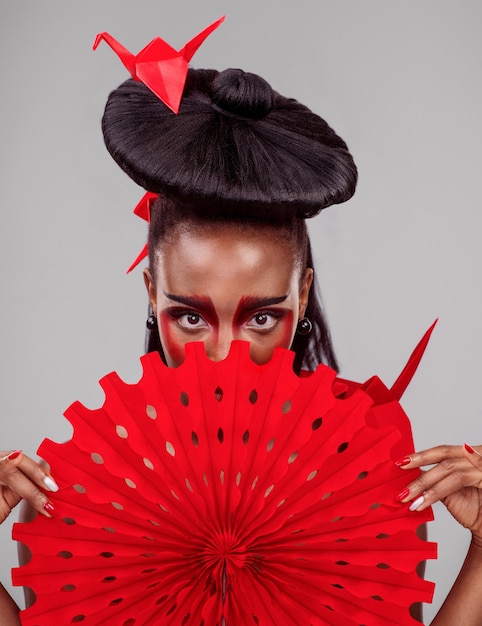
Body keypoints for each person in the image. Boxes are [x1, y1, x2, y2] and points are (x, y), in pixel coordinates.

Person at [1, 57, 482, 625]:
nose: (224, 354)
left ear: (301, 297)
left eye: (260, 319)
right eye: (190, 318)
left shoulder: (361, 474)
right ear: (152, 294)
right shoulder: (75, 492)